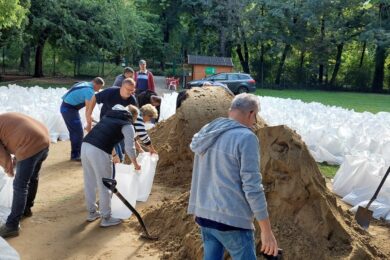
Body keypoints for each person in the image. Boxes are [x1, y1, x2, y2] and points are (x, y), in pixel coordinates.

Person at [188, 93, 278, 259]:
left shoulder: (207, 132)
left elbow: (199, 173)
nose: (255, 122)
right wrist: (266, 231)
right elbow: (252, 186)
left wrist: (196, 207)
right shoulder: (246, 137)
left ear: (231, 110)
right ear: (251, 113)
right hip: (232, 221)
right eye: (255, 116)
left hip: (205, 216)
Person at [81, 105, 140, 227]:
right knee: (106, 185)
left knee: (89, 182)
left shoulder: (109, 116)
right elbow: (129, 147)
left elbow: (106, 136)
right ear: (133, 117)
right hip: (99, 150)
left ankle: (92, 213)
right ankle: (106, 218)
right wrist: (136, 164)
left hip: (86, 145)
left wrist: (114, 155)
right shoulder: (127, 124)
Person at [0, 113, 50, 238]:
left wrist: (9, 170)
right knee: (33, 177)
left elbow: (2, 156)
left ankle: (12, 226)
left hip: (29, 144)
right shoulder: (4, 118)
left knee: (20, 185)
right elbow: (16, 135)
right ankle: (27, 209)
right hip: (43, 141)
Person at [60, 77, 104, 161]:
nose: (98, 91)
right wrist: (89, 126)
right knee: (77, 132)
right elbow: (88, 111)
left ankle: (77, 153)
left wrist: (90, 118)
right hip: (68, 109)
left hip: (68, 108)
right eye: (98, 88)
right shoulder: (89, 91)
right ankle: (76, 155)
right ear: (95, 84)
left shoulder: (85, 83)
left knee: (76, 131)